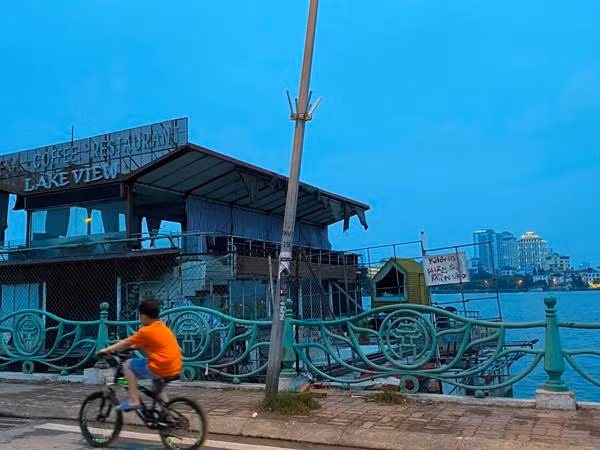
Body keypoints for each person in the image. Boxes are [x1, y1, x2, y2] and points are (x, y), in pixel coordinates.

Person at [99, 298, 182, 411]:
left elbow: (126, 342)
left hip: (160, 367)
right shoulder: (162, 327)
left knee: (127, 365)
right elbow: (143, 343)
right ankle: (168, 411)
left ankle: (134, 400)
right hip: (174, 366)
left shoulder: (146, 331)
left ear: (143, 316)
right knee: (157, 387)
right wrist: (132, 347)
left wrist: (107, 350)